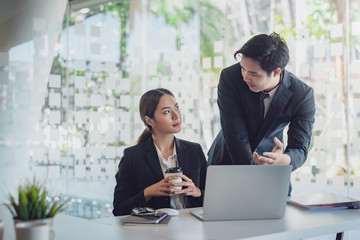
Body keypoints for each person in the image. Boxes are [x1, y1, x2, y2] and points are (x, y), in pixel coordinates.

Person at [208, 32, 315, 192]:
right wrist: (253, 178)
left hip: (271, 170)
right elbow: (235, 133)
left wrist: (283, 159)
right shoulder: (230, 77)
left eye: (254, 73)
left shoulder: (302, 95)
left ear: (276, 72)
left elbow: (299, 147)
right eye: (243, 68)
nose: (245, 77)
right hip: (228, 163)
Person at [113, 88, 207, 216]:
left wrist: (197, 191)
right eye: (167, 112)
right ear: (150, 121)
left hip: (192, 226)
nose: (176, 115)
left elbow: (215, 200)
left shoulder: (194, 151)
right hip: (155, 231)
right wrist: (147, 193)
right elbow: (119, 209)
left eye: (177, 108)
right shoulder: (133, 157)